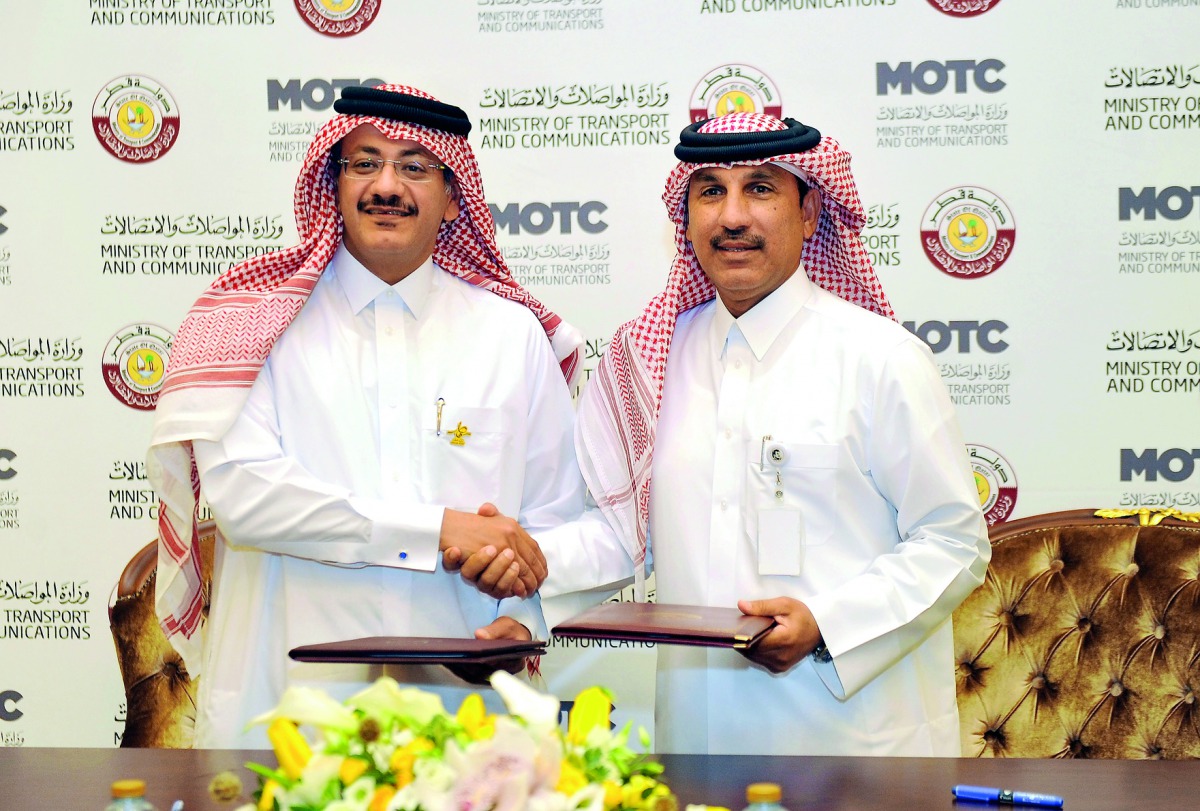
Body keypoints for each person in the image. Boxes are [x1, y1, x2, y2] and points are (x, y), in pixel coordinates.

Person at [147, 84, 586, 748]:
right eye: (365, 162)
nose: (387, 185)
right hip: (289, 708)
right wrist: (439, 529)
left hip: (465, 712)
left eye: (414, 166)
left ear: (451, 194)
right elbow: (247, 501)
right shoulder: (255, 324)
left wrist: (525, 614)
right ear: (334, 181)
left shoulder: (511, 335)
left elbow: (558, 515)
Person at [543, 112, 991, 756]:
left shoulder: (880, 358)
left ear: (810, 211)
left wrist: (827, 624)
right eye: (710, 192)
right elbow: (619, 538)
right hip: (697, 742)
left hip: (853, 746)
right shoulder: (646, 361)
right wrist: (521, 573)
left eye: (760, 188)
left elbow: (954, 542)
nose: (732, 217)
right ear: (686, 215)